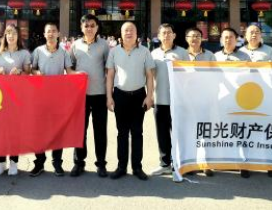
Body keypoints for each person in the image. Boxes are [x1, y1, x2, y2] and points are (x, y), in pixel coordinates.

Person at [106, 22, 155, 181]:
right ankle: (121, 167)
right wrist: (109, 97)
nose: (129, 33)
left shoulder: (145, 51)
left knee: (137, 132)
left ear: (136, 33)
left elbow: (149, 75)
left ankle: (137, 167)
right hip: (120, 95)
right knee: (122, 133)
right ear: (121, 34)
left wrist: (149, 96)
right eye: (126, 30)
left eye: (132, 30)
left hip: (139, 96)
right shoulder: (114, 51)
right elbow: (110, 75)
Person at [30, 22, 77, 177]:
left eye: (53, 31)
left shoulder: (64, 52)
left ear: (58, 34)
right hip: (40, 97)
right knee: (39, 131)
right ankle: (39, 162)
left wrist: (81, 75)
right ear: (44, 34)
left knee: (57, 130)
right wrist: (37, 73)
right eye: (48, 31)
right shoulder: (38, 51)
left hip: (58, 97)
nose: (51, 34)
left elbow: (69, 71)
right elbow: (32, 69)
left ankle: (57, 162)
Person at [69, 14, 110, 178]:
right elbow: (70, 68)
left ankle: (101, 164)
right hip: (81, 95)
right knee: (80, 131)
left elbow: (109, 69)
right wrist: (76, 75)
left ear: (97, 27)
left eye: (92, 25)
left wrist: (109, 93)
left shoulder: (104, 45)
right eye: (86, 26)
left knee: (100, 131)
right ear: (81, 28)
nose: (89, 28)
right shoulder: (75, 45)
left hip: (100, 93)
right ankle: (79, 163)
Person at [0, 24, 31, 176]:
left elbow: (28, 73)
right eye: (8, 33)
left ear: (18, 36)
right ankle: (1, 162)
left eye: (14, 33)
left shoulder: (24, 53)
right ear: (5, 36)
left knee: (14, 130)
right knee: (1, 130)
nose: (11, 36)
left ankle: (14, 162)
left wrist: (20, 72)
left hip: (17, 96)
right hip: (0, 97)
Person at [149, 24, 188, 178]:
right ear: (158, 36)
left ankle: (180, 163)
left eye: (169, 33)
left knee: (178, 133)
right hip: (159, 99)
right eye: (163, 33)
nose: (166, 35)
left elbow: (189, 76)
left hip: (177, 101)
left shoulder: (182, 53)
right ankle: (164, 164)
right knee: (162, 133)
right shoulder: (154, 54)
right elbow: (150, 76)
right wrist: (150, 95)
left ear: (174, 35)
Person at [214, 27, 251, 179]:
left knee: (241, 131)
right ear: (221, 40)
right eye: (225, 37)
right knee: (223, 131)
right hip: (221, 99)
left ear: (237, 40)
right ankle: (226, 161)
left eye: (231, 37)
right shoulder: (215, 57)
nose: (228, 40)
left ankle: (244, 163)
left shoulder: (244, 57)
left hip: (239, 100)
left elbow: (251, 77)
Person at [183, 27, 216, 177]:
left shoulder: (209, 55)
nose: (195, 39)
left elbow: (216, 76)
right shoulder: (182, 55)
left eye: (198, 36)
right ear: (186, 39)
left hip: (204, 99)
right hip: (186, 100)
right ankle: (191, 163)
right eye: (192, 36)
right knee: (190, 132)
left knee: (205, 132)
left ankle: (206, 163)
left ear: (202, 39)